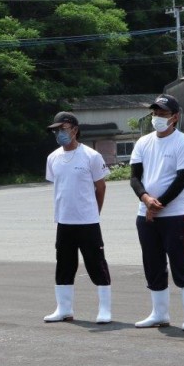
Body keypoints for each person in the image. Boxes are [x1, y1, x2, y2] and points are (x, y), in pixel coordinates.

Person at [130, 94, 184, 330]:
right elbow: (135, 177)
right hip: (145, 213)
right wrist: (146, 199)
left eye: (162, 114)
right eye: (155, 113)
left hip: (174, 214)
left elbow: (182, 179)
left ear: (175, 117)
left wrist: (158, 205)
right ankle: (159, 313)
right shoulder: (143, 142)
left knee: (182, 263)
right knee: (152, 263)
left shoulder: (183, 142)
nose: (157, 118)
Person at [43, 111, 113, 324]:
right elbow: (59, 186)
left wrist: (94, 211)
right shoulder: (53, 157)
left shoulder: (91, 156)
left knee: (96, 264)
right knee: (64, 265)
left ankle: (104, 310)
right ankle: (64, 309)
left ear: (74, 129)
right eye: (56, 130)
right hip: (64, 221)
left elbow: (100, 187)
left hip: (88, 221)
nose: (59, 134)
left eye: (62, 129)